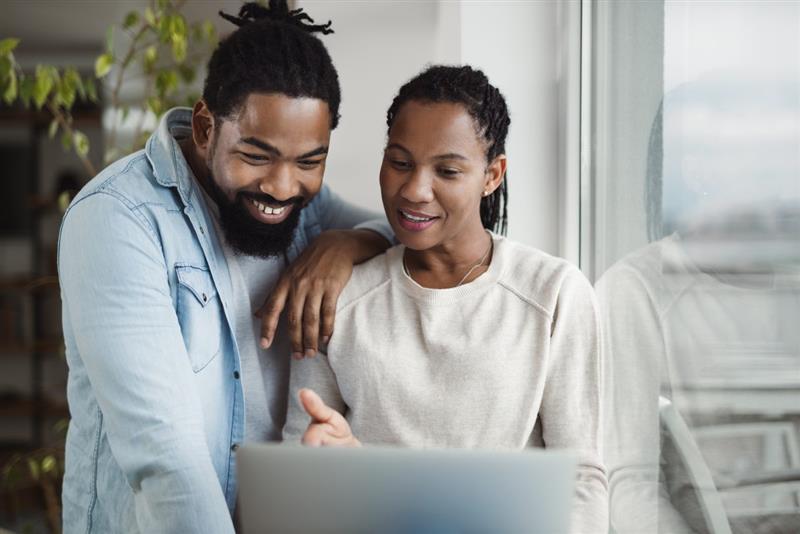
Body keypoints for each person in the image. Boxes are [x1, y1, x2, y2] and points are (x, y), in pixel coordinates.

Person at [57, 2, 392, 532]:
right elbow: (168, 459)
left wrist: (347, 243)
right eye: (257, 156)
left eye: (309, 161)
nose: (283, 187)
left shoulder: (312, 209)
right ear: (207, 127)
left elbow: (407, 232)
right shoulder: (117, 219)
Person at [283, 65, 609, 532]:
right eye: (399, 162)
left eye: (448, 170)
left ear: (492, 175)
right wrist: (331, 469)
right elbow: (299, 473)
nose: (414, 190)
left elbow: (582, 479)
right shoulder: (339, 300)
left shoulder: (554, 295)